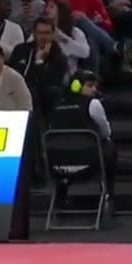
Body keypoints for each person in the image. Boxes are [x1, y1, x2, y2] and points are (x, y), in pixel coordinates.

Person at [47, 69, 118, 197]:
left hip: (57, 165)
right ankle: (108, 193)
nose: (94, 90)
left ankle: (61, 194)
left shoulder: (56, 105)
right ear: (76, 85)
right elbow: (106, 133)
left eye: (95, 86)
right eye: (90, 85)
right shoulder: (93, 104)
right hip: (89, 163)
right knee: (109, 144)